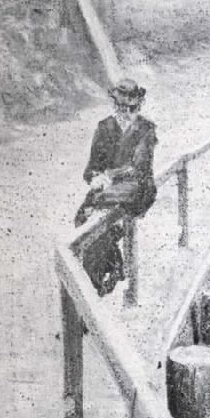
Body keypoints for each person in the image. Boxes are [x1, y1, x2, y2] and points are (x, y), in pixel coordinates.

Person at [75, 78, 158, 296]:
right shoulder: (104, 127)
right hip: (108, 190)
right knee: (84, 220)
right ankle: (102, 274)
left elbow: (139, 166)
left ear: (139, 106)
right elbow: (92, 167)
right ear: (115, 105)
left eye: (132, 108)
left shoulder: (146, 129)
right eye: (122, 107)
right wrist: (96, 177)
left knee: (97, 210)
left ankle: (105, 274)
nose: (127, 112)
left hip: (138, 188)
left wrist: (109, 175)